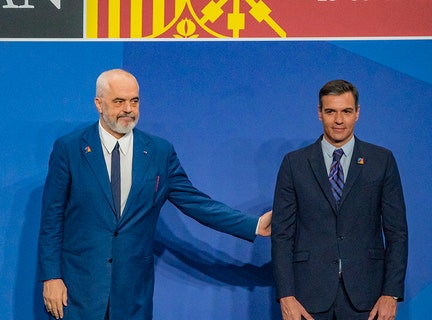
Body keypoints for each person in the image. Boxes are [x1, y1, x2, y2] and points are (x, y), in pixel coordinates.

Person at [37, 69, 272, 320]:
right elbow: (52, 219)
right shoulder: (69, 148)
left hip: (132, 292)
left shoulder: (160, 152)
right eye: (119, 101)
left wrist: (254, 225)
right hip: (78, 290)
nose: (128, 109)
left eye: (134, 101)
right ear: (99, 103)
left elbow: (197, 203)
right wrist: (52, 276)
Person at [271, 80, 408, 320]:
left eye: (346, 111)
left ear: (357, 113)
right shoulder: (294, 164)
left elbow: (397, 232)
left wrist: (391, 293)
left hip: (368, 297)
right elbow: (282, 234)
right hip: (307, 298)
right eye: (330, 111)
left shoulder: (381, 160)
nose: (338, 120)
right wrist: (286, 296)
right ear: (319, 113)